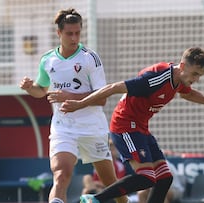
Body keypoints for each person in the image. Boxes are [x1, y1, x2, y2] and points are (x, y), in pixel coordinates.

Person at [60, 47, 204, 203]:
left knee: (165, 178)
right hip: (125, 126)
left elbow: (188, 94)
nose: (196, 79)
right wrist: (79, 104)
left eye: (200, 75)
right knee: (146, 178)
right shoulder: (156, 78)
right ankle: (93, 200)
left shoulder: (179, 80)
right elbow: (113, 87)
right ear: (182, 66)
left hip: (141, 128)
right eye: (195, 74)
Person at [19, 8, 128, 203]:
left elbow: (102, 97)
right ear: (58, 33)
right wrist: (30, 88)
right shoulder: (48, 60)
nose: (74, 38)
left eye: (78, 33)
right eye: (69, 33)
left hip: (91, 127)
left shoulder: (90, 58)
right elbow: (41, 90)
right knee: (61, 175)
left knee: (110, 181)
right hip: (64, 128)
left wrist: (72, 97)